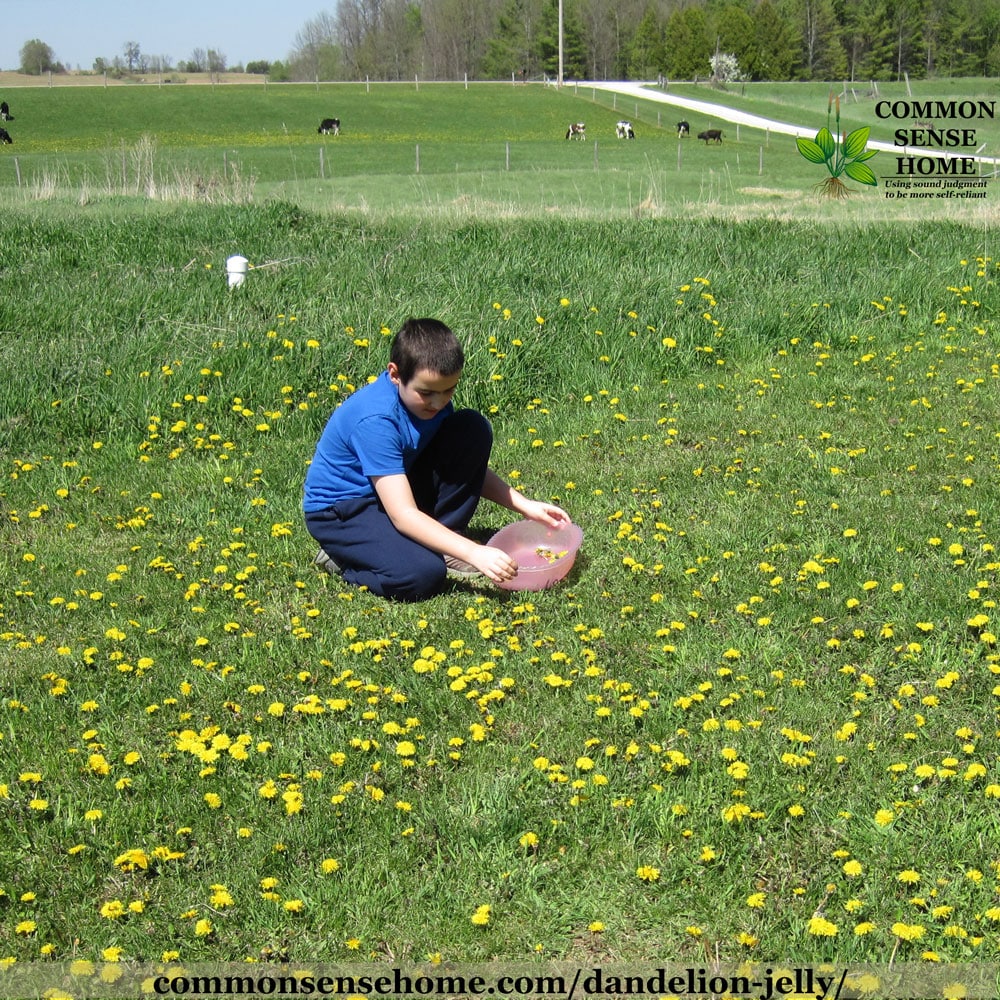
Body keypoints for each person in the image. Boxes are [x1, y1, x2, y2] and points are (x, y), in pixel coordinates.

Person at [303, 317, 572, 601]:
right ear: (395, 374)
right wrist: (473, 551)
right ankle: (343, 559)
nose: (438, 402)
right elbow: (403, 514)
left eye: (449, 390)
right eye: (427, 392)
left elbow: (466, 470)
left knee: (470, 428)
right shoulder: (376, 420)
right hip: (344, 511)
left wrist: (524, 505)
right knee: (423, 575)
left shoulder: (432, 403)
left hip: (394, 485)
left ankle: (444, 541)